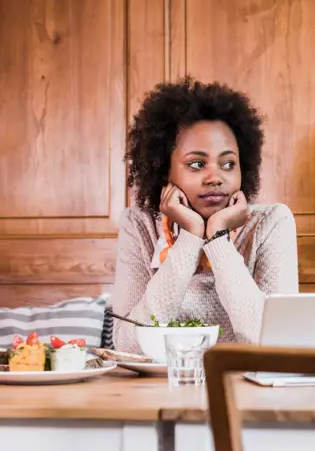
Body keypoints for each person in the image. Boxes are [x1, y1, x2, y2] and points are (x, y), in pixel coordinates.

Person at [112, 77, 299, 353]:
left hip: (245, 392)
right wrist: (190, 238)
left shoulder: (272, 222)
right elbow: (129, 347)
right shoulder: (137, 225)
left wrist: (218, 240)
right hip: (156, 393)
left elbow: (276, 344)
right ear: (165, 170)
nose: (215, 177)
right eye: (197, 164)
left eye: (228, 164)